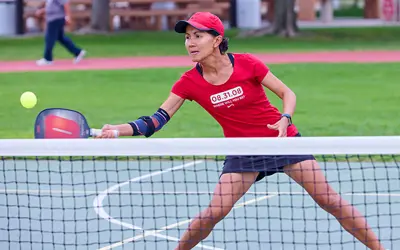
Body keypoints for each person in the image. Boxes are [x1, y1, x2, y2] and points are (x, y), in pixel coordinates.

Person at [96, 12, 385, 250]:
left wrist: (286, 117)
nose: (190, 43)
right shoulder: (188, 82)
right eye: (187, 37)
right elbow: (155, 121)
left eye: (198, 36)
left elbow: (287, 93)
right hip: (243, 152)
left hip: (280, 141)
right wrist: (117, 130)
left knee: (329, 200)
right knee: (214, 213)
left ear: (217, 40)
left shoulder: (248, 63)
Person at [35, 0, 86, 66]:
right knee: (61, 38)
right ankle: (77, 52)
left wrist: (67, 16)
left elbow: (66, 3)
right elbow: (53, 7)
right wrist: (42, 11)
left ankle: (47, 59)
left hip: (56, 19)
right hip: (52, 18)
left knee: (49, 38)